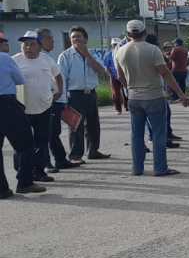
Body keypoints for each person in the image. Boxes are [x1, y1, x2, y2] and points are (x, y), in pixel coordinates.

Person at [115, 20, 189, 176]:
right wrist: (181, 95)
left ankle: (137, 168)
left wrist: (129, 89)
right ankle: (160, 168)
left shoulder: (120, 51)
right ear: (144, 33)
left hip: (134, 97)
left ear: (128, 34)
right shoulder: (153, 50)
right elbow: (165, 73)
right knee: (158, 134)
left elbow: (120, 77)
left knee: (136, 135)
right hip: (154, 96)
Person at [0, 31, 45, 197]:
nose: (7, 44)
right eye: (5, 41)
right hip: (6, 104)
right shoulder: (5, 58)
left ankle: (2, 189)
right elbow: (19, 80)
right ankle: (25, 182)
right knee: (26, 145)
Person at [58, 26, 110, 164]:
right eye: (73, 37)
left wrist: (87, 55)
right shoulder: (65, 56)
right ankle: (75, 155)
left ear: (85, 39)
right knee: (76, 126)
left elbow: (102, 72)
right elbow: (62, 78)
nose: (76, 40)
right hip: (74, 94)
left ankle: (93, 151)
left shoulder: (94, 54)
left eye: (78, 37)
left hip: (91, 93)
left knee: (93, 124)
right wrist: (63, 98)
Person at [12, 30, 60, 184]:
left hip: (44, 107)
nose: (27, 47)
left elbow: (58, 75)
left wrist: (59, 92)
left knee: (42, 141)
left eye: (31, 44)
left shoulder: (47, 59)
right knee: (22, 143)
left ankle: (39, 171)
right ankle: (22, 170)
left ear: (39, 46)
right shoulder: (15, 60)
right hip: (22, 109)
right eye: (25, 44)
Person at [36, 29, 72, 173]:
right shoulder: (38, 58)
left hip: (56, 101)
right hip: (46, 101)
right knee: (46, 133)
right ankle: (46, 163)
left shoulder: (47, 57)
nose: (53, 42)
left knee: (54, 132)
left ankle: (60, 159)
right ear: (41, 40)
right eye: (50, 39)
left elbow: (57, 77)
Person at [102, 38, 126, 114]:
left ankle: (127, 106)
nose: (115, 46)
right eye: (114, 45)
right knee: (116, 93)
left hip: (124, 75)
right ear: (112, 46)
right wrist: (111, 76)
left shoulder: (123, 53)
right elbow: (106, 67)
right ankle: (118, 109)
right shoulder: (108, 55)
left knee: (126, 91)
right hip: (114, 77)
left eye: (117, 45)